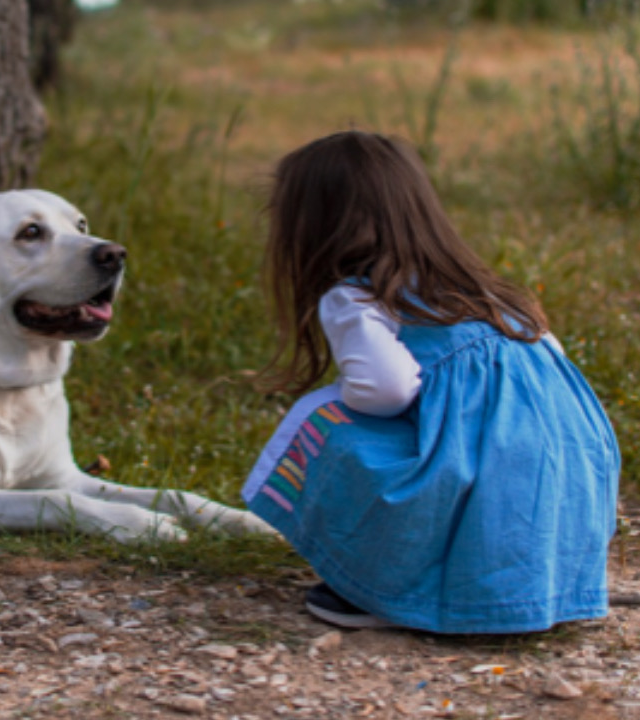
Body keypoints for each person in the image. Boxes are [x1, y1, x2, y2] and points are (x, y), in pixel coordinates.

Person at [242, 131, 619, 633]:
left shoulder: (356, 297)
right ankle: (541, 584)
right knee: (482, 450)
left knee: (323, 420)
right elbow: (553, 370)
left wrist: (348, 400)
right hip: (568, 480)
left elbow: (388, 389)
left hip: (479, 480)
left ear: (313, 227)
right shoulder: (488, 293)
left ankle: (382, 588)